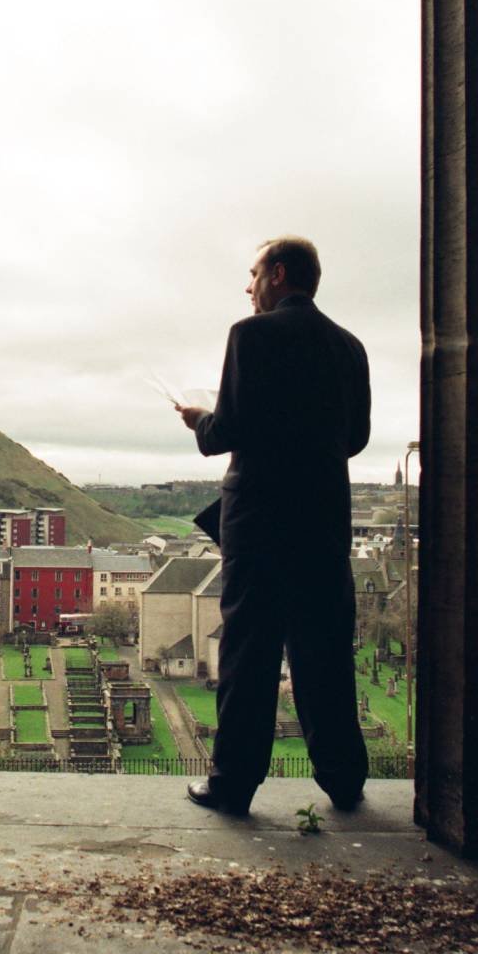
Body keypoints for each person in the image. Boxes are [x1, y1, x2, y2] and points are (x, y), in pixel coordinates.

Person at [176, 236, 371, 815]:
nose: (249, 285)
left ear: (278, 275)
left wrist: (197, 418)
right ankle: (343, 777)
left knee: (249, 649)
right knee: (324, 647)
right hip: (322, 517)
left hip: (259, 518)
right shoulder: (351, 347)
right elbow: (355, 439)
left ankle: (233, 783)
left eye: (254, 273)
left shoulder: (249, 335)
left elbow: (223, 434)